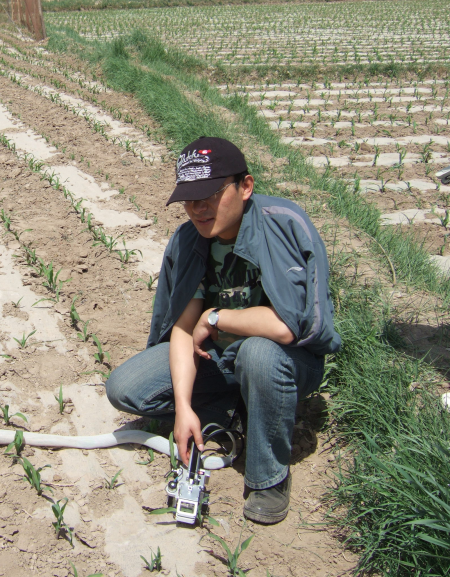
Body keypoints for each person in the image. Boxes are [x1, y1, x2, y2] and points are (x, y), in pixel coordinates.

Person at [106, 137, 340, 524]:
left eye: (211, 195)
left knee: (258, 354)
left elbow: (286, 328)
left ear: (244, 187)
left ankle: (268, 477)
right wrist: (183, 409)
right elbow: (183, 330)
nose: (199, 209)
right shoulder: (190, 240)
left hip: (287, 360)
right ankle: (235, 408)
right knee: (126, 388)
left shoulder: (283, 225)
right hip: (221, 358)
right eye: (190, 199)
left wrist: (217, 317)